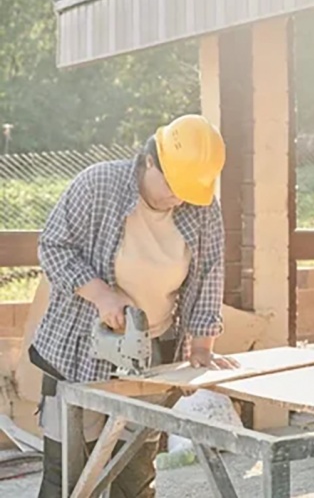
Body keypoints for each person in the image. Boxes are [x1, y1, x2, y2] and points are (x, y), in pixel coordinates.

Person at [30, 114, 240, 497]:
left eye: (188, 191)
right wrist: (102, 295)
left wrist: (202, 348)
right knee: (69, 479)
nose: (178, 198)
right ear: (149, 160)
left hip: (149, 352)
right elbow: (53, 247)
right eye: (173, 186)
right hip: (78, 349)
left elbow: (209, 275)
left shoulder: (202, 206)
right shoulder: (97, 185)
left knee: (135, 476)